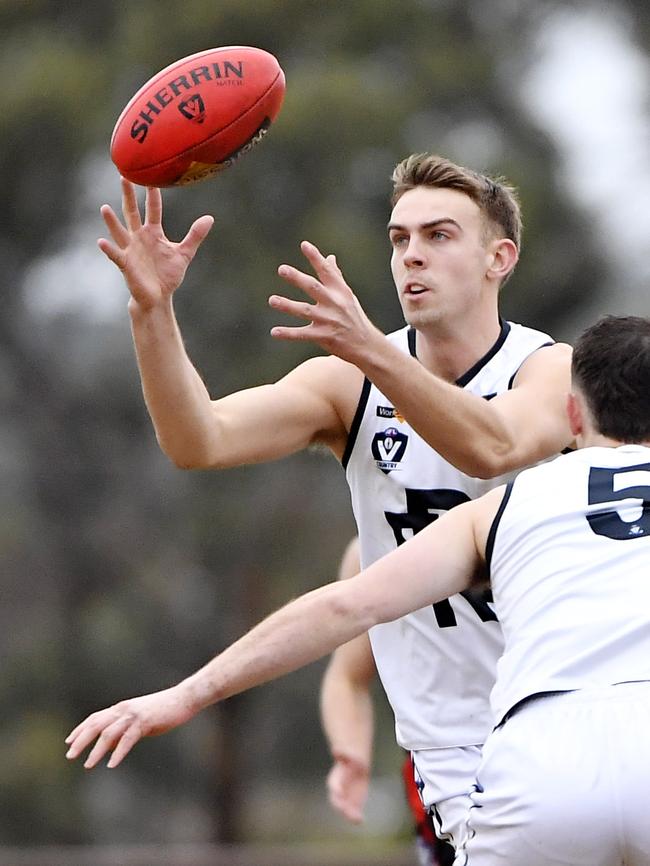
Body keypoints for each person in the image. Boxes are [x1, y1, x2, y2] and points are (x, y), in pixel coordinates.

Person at [80, 153, 573, 849]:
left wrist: (373, 352)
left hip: (566, 713)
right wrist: (151, 311)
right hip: (452, 751)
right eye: (400, 239)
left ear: (500, 258)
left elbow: (492, 447)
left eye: (439, 236)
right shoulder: (351, 383)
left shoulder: (551, 371)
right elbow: (199, 439)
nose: (412, 257)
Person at [67, 314, 650, 866]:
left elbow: (347, 604)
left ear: (573, 415)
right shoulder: (486, 452)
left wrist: (184, 695)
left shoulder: (505, 509)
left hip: (543, 756)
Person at [320, 537, 454, 866]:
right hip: (440, 773)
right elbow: (347, 677)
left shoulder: (552, 512)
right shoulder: (375, 543)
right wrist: (349, 749)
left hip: (547, 754)